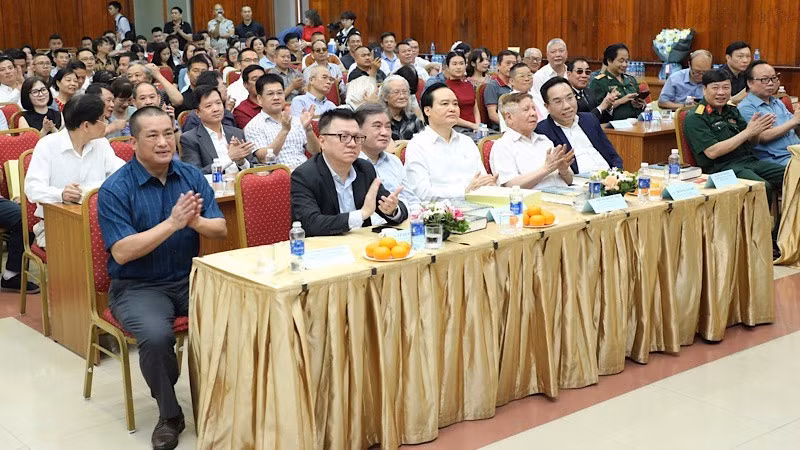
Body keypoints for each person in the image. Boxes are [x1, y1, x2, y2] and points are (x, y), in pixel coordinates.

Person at [98, 106, 226, 450]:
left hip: (188, 277)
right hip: (137, 285)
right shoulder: (115, 189)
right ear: (134, 141)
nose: (163, 142)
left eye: (168, 133)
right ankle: (170, 414)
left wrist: (195, 222)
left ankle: (228, 400)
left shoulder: (190, 176)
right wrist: (172, 223)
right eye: (152, 135)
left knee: (236, 316)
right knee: (156, 337)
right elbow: (122, 252)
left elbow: (220, 228)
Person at [26, 94, 125, 247]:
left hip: (99, 220)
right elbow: (32, 189)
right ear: (86, 126)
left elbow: (121, 175)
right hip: (56, 225)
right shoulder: (47, 145)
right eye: (103, 120)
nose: (106, 124)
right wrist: (60, 194)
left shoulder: (102, 144)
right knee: (88, 247)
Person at [290, 108, 407, 237]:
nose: (352, 144)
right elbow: (310, 224)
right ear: (322, 141)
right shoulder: (304, 175)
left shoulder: (364, 168)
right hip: (325, 249)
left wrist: (392, 210)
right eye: (344, 137)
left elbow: (391, 205)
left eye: (357, 137)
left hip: (363, 246)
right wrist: (361, 215)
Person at [684, 69, 784, 204]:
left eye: (726, 87)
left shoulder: (732, 110)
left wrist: (755, 132)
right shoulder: (696, 117)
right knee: (761, 187)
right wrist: (747, 132)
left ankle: (787, 223)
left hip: (749, 162)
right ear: (704, 89)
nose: (721, 92)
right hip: (722, 169)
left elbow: (752, 142)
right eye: (715, 88)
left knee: (794, 174)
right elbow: (712, 152)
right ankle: (760, 225)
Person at [405, 83, 497, 201]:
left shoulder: (467, 141)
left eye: (455, 104)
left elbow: (481, 179)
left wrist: (489, 183)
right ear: (427, 110)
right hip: (441, 214)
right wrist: (465, 191)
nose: (452, 109)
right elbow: (422, 192)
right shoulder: (417, 145)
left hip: (477, 205)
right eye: (445, 104)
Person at [536, 77, 623, 174]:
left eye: (570, 98)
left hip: (609, 177)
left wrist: (617, 175)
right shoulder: (542, 131)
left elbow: (612, 155)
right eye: (558, 101)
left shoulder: (589, 119)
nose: (567, 106)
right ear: (547, 106)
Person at [492, 91, 574, 189]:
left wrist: (564, 171)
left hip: (565, 194)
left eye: (534, 108)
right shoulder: (503, 145)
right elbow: (510, 186)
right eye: (526, 110)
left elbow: (569, 181)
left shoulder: (544, 140)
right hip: (535, 201)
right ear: (509, 117)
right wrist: (546, 169)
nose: (533, 113)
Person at [356, 103, 420, 220]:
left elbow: (412, 200)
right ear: (358, 131)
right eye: (377, 126)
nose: (385, 133)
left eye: (388, 127)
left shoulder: (394, 161)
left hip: (402, 224)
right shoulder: (351, 164)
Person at [244, 74, 320, 168]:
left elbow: (316, 152)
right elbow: (264, 158)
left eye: (280, 93)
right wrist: (284, 131)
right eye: (270, 94)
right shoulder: (254, 126)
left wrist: (308, 129)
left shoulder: (296, 120)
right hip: (279, 177)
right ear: (259, 99)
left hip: (304, 171)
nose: (276, 97)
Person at [180, 85, 255, 174]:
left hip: (241, 185)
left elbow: (253, 167)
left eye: (218, 103)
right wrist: (229, 158)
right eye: (208, 106)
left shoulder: (237, 132)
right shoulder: (190, 139)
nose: (216, 109)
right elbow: (194, 174)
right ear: (197, 112)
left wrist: (241, 162)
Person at [737, 61, 800, 166]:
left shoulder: (777, 102)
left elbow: (794, 124)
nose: (771, 83)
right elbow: (763, 137)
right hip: (777, 159)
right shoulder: (746, 108)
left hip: (796, 152)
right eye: (764, 79)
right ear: (750, 83)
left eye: (774, 78)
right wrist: (794, 121)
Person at [587, 43, 645, 121]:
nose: (624, 64)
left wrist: (640, 104)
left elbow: (637, 104)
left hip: (634, 123)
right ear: (609, 61)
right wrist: (621, 101)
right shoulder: (599, 82)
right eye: (621, 61)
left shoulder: (631, 80)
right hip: (612, 127)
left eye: (626, 61)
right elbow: (596, 110)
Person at [567, 58, 616, 123]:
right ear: (569, 74)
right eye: (579, 72)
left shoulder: (589, 92)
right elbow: (579, 121)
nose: (584, 76)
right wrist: (601, 107)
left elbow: (601, 120)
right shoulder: (566, 95)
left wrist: (608, 107)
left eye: (587, 72)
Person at [442, 51, 480, 130]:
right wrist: (472, 126)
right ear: (447, 67)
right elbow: (450, 114)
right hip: (456, 128)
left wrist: (478, 125)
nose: (458, 67)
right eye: (454, 64)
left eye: (461, 63)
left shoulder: (469, 85)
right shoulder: (444, 88)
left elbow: (475, 109)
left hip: (475, 127)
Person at [380, 75, 425, 140]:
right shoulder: (379, 120)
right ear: (385, 97)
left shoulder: (413, 119)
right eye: (396, 92)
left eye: (405, 92)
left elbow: (424, 142)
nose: (402, 96)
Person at [484, 50, 516, 129]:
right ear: (498, 65)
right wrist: (511, 126)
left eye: (514, 64)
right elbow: (492, 115)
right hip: (501, 129)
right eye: (508, 63)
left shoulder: (517, 84)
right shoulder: (492, 86)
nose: (511, 66)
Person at [532, 39, 568, 104]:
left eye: (561, 51)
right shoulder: (539, 76)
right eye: (553, 52)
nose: (558, 54)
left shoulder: (572, 72)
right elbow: (538, 102)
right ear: (547, 55)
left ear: (566, 53)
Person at [232, 64, 265, 128]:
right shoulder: (241, 111)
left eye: (262, 78)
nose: (260, 82)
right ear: (245, 84)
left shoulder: (275, 102)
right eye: (255, 79)